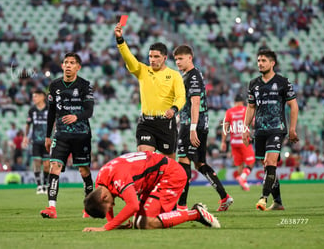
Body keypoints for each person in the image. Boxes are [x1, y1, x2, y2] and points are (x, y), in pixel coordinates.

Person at [83, 151, 220, 231]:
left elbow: (133, 205)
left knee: (146, 223)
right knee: (138, 222)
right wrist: (114, 224)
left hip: (170, 174)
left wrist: (106, 227)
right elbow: (113, 205)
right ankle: (190, 213)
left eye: (109, 206)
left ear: (103, 197)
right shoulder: (102, 180)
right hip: (154, 180)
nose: (113, 206)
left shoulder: (118, 177)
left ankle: (195, 213)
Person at [173, 45, 233, 212]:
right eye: (176, 59)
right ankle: (224, 197)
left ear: (190, 58)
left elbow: (195, 102)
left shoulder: (192, 76)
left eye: (181, 58)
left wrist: (192, 128)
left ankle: (181, 206)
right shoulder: (189, 75)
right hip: (198, 124)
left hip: (193, 125)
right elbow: (187, 103)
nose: (178, 62)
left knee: (183, 160)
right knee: (199, 163)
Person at [114, 23, 185, 160]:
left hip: (166, 123)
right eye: (150, 56)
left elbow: (181, 96)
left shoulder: (174, 75)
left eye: (156, 57)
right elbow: (129, 58)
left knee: (169, 163)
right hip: (146, 123)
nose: (152, 60)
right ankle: (148, 181)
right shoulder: (143, 71)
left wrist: (174, 109)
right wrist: (120, 41)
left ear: (164, 58)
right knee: (144, 158)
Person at [242, 49, 299, 211]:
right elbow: (251, 107)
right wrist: (245, 127)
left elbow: (293, 105)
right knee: (266, 166)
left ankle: (263, 198)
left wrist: (292, 128)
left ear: (272, 63)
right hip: (260, 130)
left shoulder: (282, 82)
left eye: (263, 61)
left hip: (277, 128)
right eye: (258, 60)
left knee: (271, 162)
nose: (260, 63)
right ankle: (278, 202)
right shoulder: (253, 83)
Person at [40, 52, 95, 219]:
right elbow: (51, 112)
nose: (69, 65)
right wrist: (48, 136)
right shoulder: (55, 85)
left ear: (78, 67)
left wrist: (76, 117)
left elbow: (89, 111)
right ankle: (51, 208)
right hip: (61, 134)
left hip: (81, 135)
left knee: (84, 170)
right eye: (66, 62)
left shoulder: (85, 85)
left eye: (72, 62)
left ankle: (89, 207)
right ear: (62, 66)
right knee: (54, 167)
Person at [221, 93, 255, 191]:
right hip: (244, 140)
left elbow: (225, 127)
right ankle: (243, 178)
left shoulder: (229, 111)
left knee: (240, 164)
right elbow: (253, 122)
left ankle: (243, 184)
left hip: (233, 142)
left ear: (235, 102)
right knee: (251, 162)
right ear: (242, 102)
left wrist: (223, 142)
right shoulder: (246, 110)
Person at [23, 90, 50, 195]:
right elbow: (28, 124)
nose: (34, 98)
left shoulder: (49, 109)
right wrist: (26, 137)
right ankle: (39, 186)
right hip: (36, 140)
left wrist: (53, 136)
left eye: (36, 96)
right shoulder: (32, 110)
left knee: (47, 164)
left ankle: (45, 184)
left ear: (42, 97)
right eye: (33, 97)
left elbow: (55, 123)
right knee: (37, 162)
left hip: (47, 141)